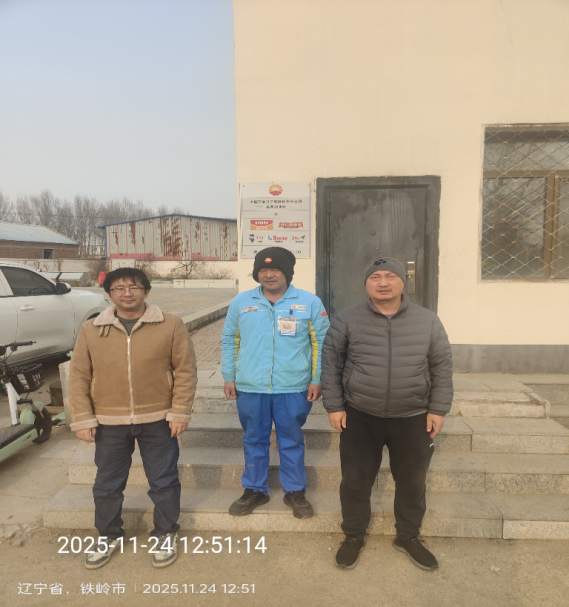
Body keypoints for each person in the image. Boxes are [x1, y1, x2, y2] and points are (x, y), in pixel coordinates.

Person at [321, 257, 453, 570]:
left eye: (390, 276)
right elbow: (331, 364)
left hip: (413, 416)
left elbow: (441, 366)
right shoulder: (347, 319)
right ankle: (353, 535)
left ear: (403, 281)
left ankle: (408, 536)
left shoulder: (427, 320)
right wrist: (335, 406)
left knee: (412, 482)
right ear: (366, 283)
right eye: (375, 277)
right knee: (355, 481)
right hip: (360, 415)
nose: (383, 283)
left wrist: (438, 408)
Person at [69, 268, 197, 569]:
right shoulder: (91, 329)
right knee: (107, 484)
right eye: (119, 288)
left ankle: (165, 533)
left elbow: (185, 371)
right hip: (108, 422)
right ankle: (108, 535)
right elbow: (79, 376)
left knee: (163, 481)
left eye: (134, 287)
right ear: (109, 294)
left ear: (146, 291)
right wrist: (83, 418)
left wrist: (179, 412)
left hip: (158, 419)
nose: (127, 293)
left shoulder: (171, 324)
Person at [221, 247, 330, 519]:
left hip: (293, 386)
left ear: (287, 273)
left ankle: (295, 491)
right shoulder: (241, 302)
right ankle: (255, 489)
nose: (269, 275)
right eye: (263, 270)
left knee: (291, 440)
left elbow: (322, 343)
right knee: (254, 438)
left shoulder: (309, 302)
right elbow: (230, 340)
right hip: (251, 386)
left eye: (275, 269)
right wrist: (229, 376)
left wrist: (317, 379)